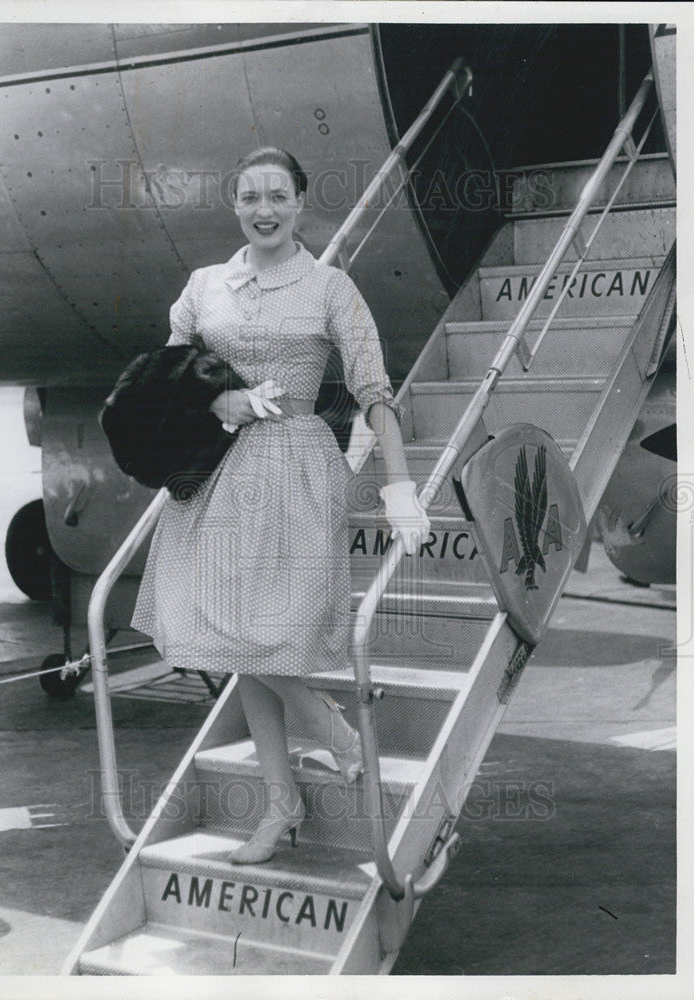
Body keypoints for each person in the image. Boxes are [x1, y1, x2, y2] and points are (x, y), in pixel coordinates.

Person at [131, 147, 430, 864]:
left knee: (261, 638)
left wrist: (399, 489)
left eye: (277, 196)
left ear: (300, 203)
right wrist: (219, 397)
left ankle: (307, 781)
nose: (263, 210)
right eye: (249, 197)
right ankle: (301, 779)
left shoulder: (330, 288)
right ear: (234, 204)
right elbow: (165, 379)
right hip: (216, 471)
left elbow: (374, 393)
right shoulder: (206, 286)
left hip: (296, 469)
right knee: (223, 633)